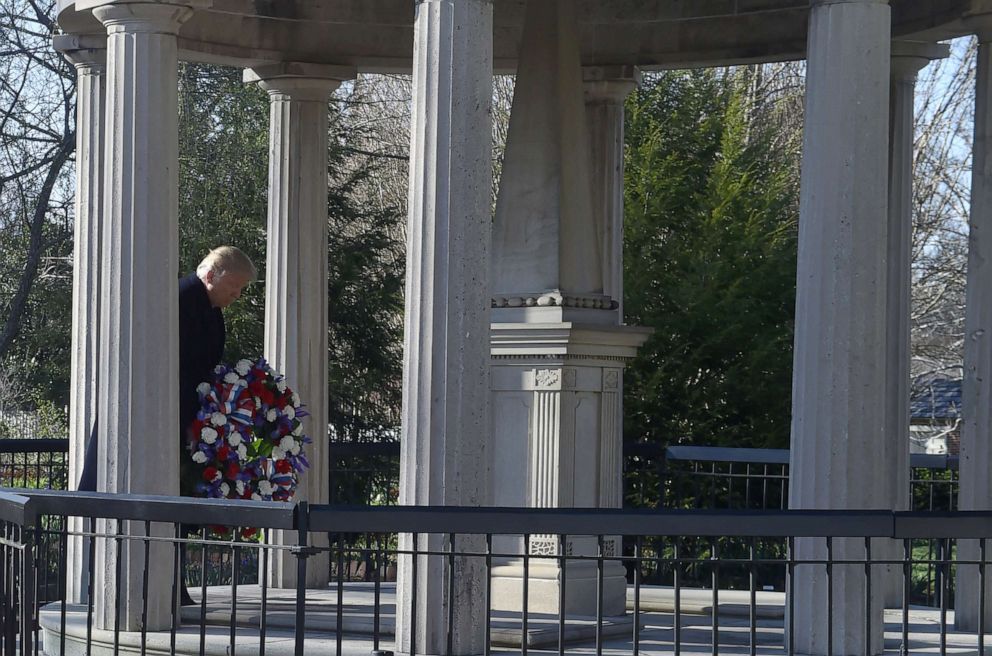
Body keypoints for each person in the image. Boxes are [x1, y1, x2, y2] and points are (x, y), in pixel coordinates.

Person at [77, 246, 256, 603]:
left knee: (177, 504)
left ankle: (170, 586)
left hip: (183, 420)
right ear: (211, 276)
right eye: (234, 287)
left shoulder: (206, 306)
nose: (237, 296)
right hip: (157, 421)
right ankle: (132, 587)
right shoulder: (179, 300)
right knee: (153, 503)